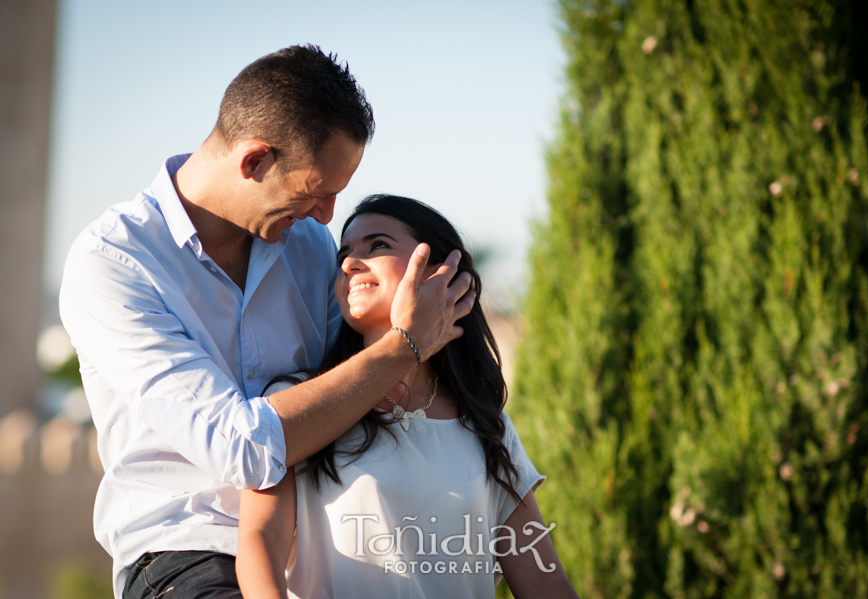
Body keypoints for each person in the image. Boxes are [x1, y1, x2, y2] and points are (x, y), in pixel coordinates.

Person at [59, 47, 474, 599]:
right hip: (189, 556)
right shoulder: (115, 263)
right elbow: (243, 450)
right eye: (315, 191)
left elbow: (349, 381)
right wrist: (402, 346)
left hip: (325, 544)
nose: (327, 216)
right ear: (254, 161)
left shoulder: (307, 245)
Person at [235, 195, 579, 599]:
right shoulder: (297, 400)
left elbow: (545, 583)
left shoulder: (487, 425)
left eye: (377, 245)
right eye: (343, 254)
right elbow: (260, 543)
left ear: (442, 273)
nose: (349, 263)